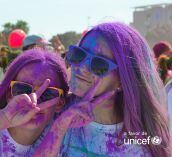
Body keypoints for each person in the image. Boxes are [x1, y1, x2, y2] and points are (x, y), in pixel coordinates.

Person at [33, 22, 170, 157]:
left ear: (123, 80)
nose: (81, 67)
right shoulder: (51, 112)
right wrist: (59, 127)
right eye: (79, 54)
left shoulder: (143, 142)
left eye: (99, 64)